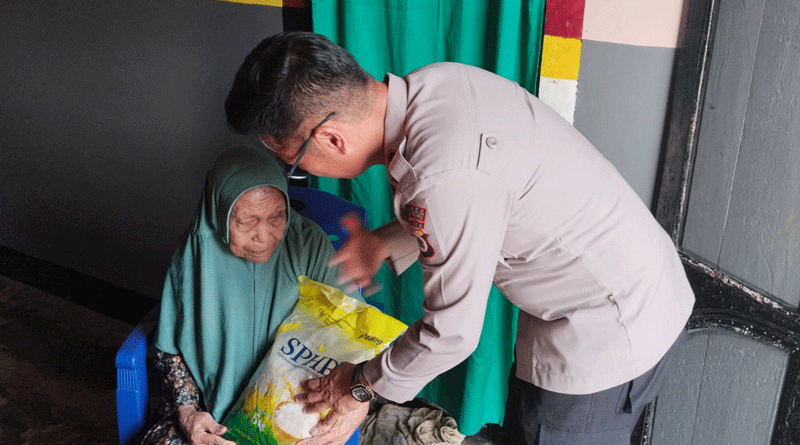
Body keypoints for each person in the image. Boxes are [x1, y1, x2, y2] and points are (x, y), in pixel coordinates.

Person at [225, 31, 695, 444]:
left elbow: (451, 333)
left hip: (604, 331)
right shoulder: (437, 84)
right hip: (638, 284)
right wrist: (384, 243)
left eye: (292, 161)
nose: (297, 171)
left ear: (331, 138)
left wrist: (359, 387)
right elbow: (475, 200)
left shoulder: (442, 176)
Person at [140, 145, 367, 445]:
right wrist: (188, 412)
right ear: (219, 214)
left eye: (277, 217)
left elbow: (356, 330)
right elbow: (171, 346)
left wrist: (357, 400)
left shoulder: (307, 243)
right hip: (208, 412)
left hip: (289, 411)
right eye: (247, 221)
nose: (264, 235)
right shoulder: (194, 252)